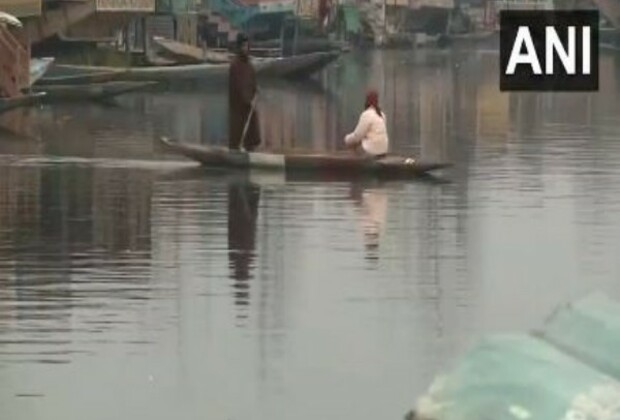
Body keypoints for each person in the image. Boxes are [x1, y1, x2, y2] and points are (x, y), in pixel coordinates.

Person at [228, 32, 261, 152]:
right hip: (239, 108)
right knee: (238, 132)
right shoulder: (235, 65)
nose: (245, 49)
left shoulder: (250, 65)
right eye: (243, 46)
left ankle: (251, 151)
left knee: (252, 135)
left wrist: (256, 90)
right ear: (238, 47)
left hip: (249, 106)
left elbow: (252, 82)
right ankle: (236, 152)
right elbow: (237, 86)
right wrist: (247, 100)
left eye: (247, 46)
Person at [344, 90, 389, 158]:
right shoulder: (382, 115)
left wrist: (346, 139)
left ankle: (354, 166)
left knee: (353, 144)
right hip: (383, 150)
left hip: (371, 150)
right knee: (360, 141)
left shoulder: (367, 114)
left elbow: (357, 136)